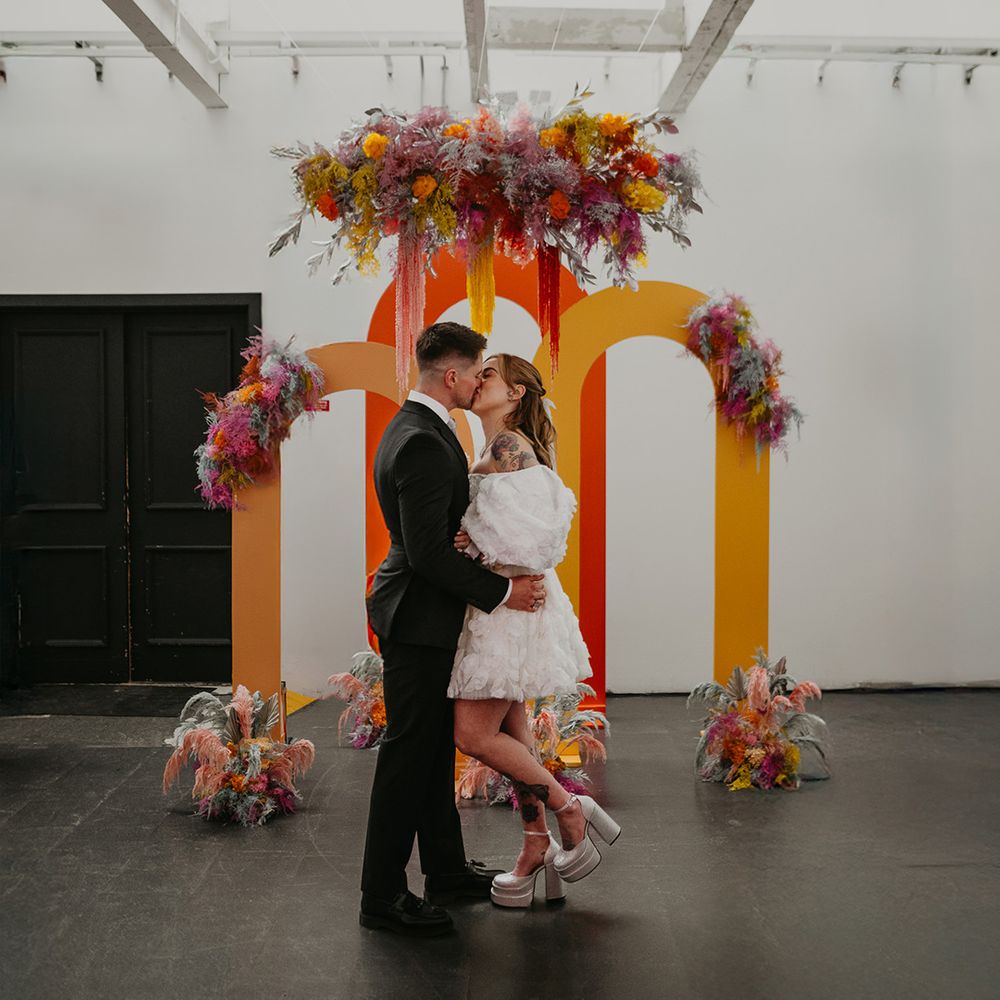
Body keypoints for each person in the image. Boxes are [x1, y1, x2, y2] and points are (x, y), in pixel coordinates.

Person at [361, 323, 547, 936]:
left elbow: (436, 539)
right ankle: (381, 894)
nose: (477, 382)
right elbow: (426, 555)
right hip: (416, 619)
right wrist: (504, 591)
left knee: (434, 750)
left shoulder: (419, 429)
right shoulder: (421, 440)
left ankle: (443, 869)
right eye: (474, 373)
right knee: (407, 758)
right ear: (451, 376)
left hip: (426, 615)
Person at [450, 354, 621, 909]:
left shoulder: (508, 448)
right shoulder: (496, 452)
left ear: (517, 393)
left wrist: (475, 547)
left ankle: (571, 810)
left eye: (491, 374)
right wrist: (472, 540)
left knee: (473, 736)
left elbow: (537, 543)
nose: (480, 380)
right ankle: (534, 844)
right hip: (503, 608)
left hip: (509, 612)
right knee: (515, 739)